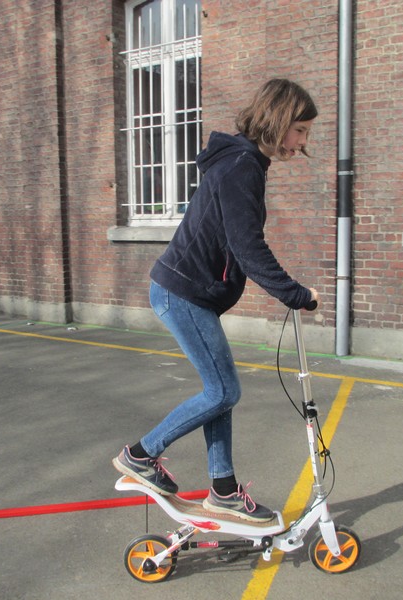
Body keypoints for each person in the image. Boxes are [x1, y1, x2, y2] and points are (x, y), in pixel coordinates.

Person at [113, 79, 319, 523]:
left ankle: (223, 489)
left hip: (192, 293)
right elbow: (248, 247)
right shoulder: (243, 166)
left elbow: (237, 242)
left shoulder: (245, 161)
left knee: (219, 392)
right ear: (279, 120)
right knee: (224, 390)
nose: (303, 142)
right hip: (183, 292)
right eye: (300, 130)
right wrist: (295, 294)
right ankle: (141, 455)